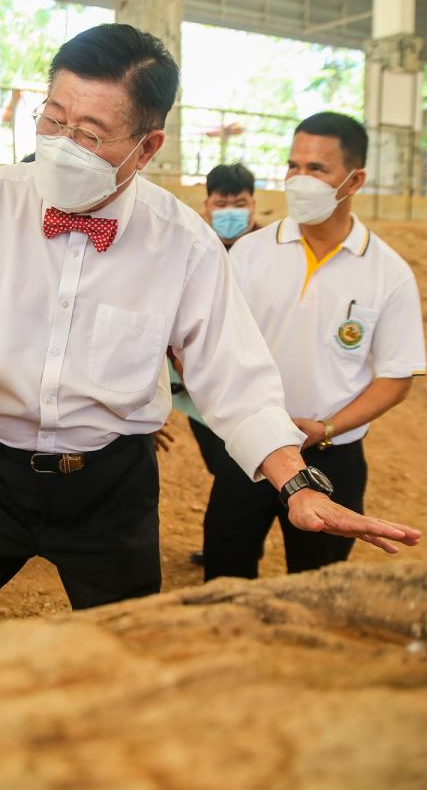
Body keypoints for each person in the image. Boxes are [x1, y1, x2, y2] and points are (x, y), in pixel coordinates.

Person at [0, 24, 421, 626]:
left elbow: (234, 379)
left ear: (147, 146)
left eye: (89, 135)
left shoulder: (185, 244)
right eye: (53, 120)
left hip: (109, 489)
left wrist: (297, 484)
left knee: (128, 647)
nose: (62, 146)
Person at [203, 112, 427, 581]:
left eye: (317, 169)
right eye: (293, 166)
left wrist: (325, 428)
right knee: (225, 574)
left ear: (354, 180)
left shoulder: (388, 273)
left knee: (316, 584)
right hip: (251, 449)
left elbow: (396, 379)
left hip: (332, 457)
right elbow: (218, 345)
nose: (299, 180)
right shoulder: (250, 253)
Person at [166, 162, 262, 567]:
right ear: (206, 205)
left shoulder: (269, 253)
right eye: (222, 203)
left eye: (239, 203)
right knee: (226, 469)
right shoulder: (191, 248)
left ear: (254, 204)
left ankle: (231, 548)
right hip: (194, 392)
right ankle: (228, 546)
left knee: (237, 469)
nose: (230, 211)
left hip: (246, 387)